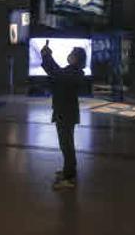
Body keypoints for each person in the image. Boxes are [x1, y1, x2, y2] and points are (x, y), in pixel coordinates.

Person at [40, 40, 86, 190]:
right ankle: (68, 171)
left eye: (72, 54)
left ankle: (69, 178)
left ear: (77, 58)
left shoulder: (74, 73)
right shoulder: (72, 71)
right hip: (65, 112)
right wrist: (47, 57)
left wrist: (47, 55)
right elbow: (57, 74)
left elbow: (56, 73)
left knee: (66, 145)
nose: (69, 56)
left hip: (66, 113)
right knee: (66, 144)